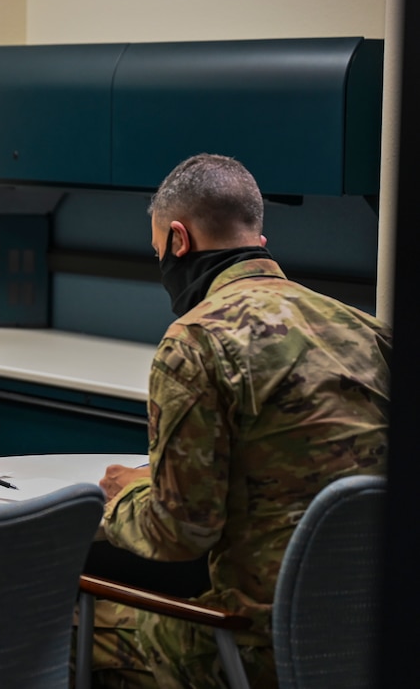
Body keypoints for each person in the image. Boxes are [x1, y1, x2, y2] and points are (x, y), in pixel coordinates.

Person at [87, 154, 391, 688]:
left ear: (178, 241)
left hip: (256, 648)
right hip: (370, 643)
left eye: (159, 251)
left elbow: (179, 534)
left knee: (59, 625)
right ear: (258, 241)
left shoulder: (197, 342)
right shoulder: (369, 332)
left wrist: (121, 499)